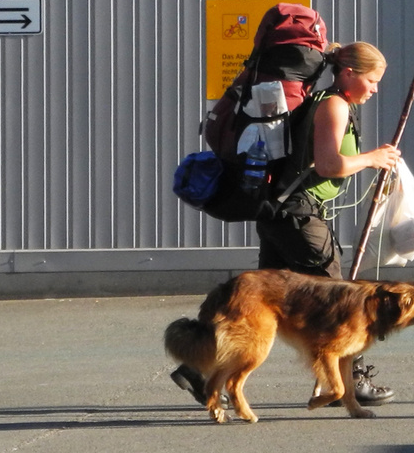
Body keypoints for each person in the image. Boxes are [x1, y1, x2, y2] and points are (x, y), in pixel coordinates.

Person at [171, 41, 401, 408]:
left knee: (259, 307)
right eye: (372, 80)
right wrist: (373, 158)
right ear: (349, 73)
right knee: (340, 305)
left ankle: (198, 370)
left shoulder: (323, 101)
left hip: (277, 214)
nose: (374, 89)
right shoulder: (334, 104)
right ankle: (350, 381)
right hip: (298, 217)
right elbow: (329, 165)